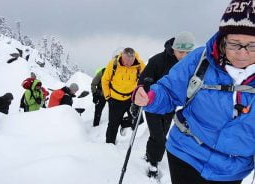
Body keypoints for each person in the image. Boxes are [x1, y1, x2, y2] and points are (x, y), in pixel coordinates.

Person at [133, 0, 255, 183]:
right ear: (223, 39)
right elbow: (169, 90)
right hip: (186, 154)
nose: (242, 53)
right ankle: (152, 159)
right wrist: (150, 97)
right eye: (234, 44)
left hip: (231, 169)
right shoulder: (201, 59)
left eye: (252, 45)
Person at [138, 31, 195, 177]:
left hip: (171, 106)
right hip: (153, 103)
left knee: (163, 132)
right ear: (173, 48)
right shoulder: (157, 60)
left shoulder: (190, 64)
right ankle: (153, 162)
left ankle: (151, 154)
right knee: (158, 136)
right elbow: (144, 80)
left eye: (188, 52)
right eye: (180, 51)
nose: (183, 56)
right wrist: (145, 93)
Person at [102, 47, 145, 144]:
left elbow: (145, 79)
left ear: (134, 58)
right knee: (113, 124)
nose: (128, 64)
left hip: (131, 98)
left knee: (139, 120)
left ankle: (124, 123)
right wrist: (107, 96)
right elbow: (105, 80)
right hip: (115, 99)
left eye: (130, 62)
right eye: (126, 62)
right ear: (122, 57)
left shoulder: (140, 65)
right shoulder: (113, 63)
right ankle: (109, 145)